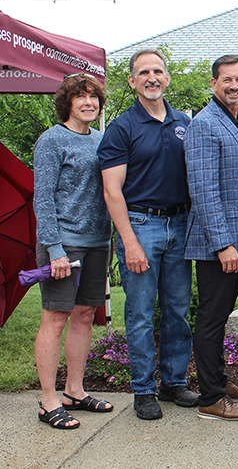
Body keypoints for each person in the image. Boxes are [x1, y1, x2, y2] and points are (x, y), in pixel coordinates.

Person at [98, 49, 198, 420]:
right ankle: (143, 390)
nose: (152, 78)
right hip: (141, 225)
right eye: (144, 73)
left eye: (158, 71)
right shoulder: (122, 128)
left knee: (177, 310)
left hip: (181, 225)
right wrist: (129, 241)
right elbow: (112, 191)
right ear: (132, 81)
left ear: (167, 78)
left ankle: (174, 383)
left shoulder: (183, 122)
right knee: (140, 314)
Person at [184, 55, 238, 421]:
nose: (234, 85)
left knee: (220, 314)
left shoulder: (234, 118)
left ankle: (218, 380)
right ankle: (211, 399)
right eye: (226, 79)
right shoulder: (204, 124)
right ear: (213, 83)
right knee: (212, 318)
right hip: (220, 245)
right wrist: (222, 243)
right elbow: (203, 190)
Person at [33, 73, 114, 429]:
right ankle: (48, 399)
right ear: (68, 102)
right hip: (65, 243)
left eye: (93, 97)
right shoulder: (51, 141)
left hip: (98, 241)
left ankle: (75, 391)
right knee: (55, 317)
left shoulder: (102, 139)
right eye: (80, 97)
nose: (88, 103)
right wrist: (54, 249)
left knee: (84, 316)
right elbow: (43, 198)